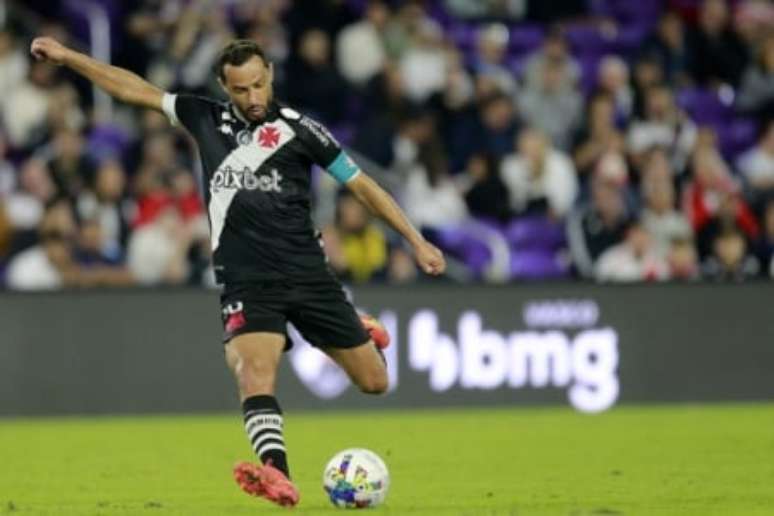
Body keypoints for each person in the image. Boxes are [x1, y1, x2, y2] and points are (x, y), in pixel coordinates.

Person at [30, 37, 445, 507]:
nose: (252, 98)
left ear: (270, 73)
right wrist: (69, 57)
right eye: (241, 89)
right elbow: (132, 89)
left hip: (308, 275)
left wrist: (415, 240)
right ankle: (277, 476)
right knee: (253, 373)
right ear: (224, 87)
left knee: (375, 382)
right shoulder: (203, 117)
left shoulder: (300, 129)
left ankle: (362, 333)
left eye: (259, 85)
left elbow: (363, 186)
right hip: (247, 281)